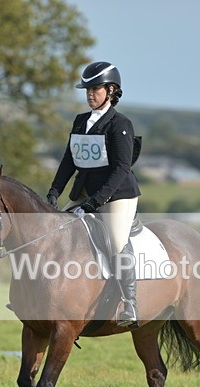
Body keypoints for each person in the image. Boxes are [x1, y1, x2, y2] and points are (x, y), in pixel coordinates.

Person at [47, 61, 141, 328]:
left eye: (96, 89)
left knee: (116, 239)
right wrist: (55, 190)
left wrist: (97, 201)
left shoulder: (120, 124)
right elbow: (69, 160)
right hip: (85, 193)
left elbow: (122, 167)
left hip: (117, 195)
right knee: (53, 232)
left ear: (111, 91)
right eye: (87, 89)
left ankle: (130, 302)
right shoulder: (80, 122)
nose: (90, 94)